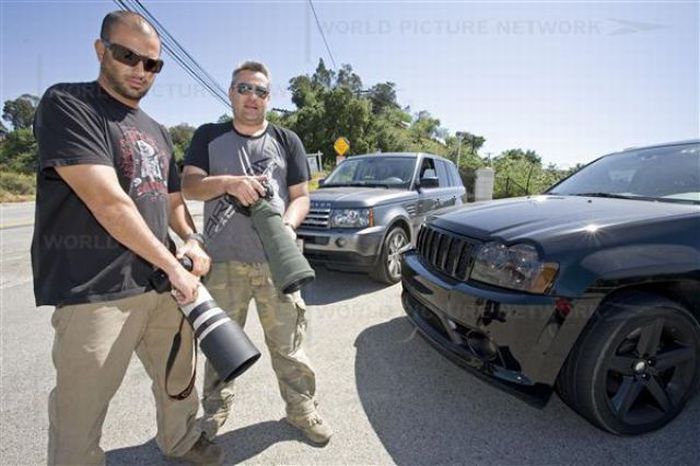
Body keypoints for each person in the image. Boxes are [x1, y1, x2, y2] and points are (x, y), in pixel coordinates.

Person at [31, 11, 223, 465]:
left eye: (152, 64)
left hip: (161, 284)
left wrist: (192, 240)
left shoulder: (157, 131)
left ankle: (181, 440)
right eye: (127, 56)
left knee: (179, 377)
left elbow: (173, 201)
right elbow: (109, 203)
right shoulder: (69, 104)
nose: (140, 70)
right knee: (80, 409)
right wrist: (175, 266)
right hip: (96, 289)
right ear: (101, 51)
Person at [182, 61, 332, 445]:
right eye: (244, 88)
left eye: (260, 91)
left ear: (269, 98)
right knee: (220, 346)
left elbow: (300, 197)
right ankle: (214, 412)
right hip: (222, 263)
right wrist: (229, 183)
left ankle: (301, 410)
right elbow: (190, 186)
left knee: (290, 346)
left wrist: (288, 226)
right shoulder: (209, 135)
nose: (252, 97)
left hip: (276, 264)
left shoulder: (287, 139)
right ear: (231, 92)